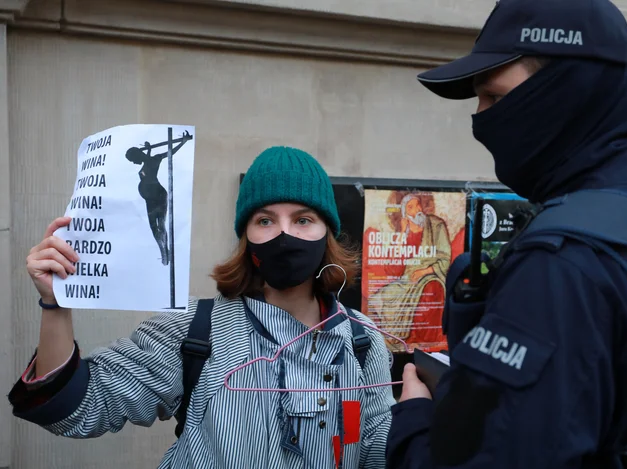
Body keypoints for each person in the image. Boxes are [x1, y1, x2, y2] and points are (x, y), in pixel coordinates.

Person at [386, 0, 627, 468]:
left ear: (569, 91)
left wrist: (414, 419)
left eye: (494, 97)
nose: (480, 120)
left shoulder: (561, 263)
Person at [9, 146, 396, 469]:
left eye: (303, 219)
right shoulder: (196, 330)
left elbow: (380, 449)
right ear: (246, 236)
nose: (284, 234)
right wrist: (55, 304)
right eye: (265, 220)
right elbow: (82, 407)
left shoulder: (362, 341)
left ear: (326, 233)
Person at [368, 193, 451, 352]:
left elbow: (445, 259)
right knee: (378, 299)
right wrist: (401, 235)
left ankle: (417, 340)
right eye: (411, 207)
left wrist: (424, 271)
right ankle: (394, 340)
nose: (417, 210)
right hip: (407, 280)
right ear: (405, 212)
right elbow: (393, 268)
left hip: (431, 276)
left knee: (430, 290)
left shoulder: (436, 225)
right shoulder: (403, 229)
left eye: (418, 205)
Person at [124, 130, 192, 266]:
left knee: (159, 224)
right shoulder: (149, 159)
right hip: (151, 197)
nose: (133, 163)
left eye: (133, 160)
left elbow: (170, 153)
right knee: (154, 226)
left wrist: (183, 143)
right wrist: (148, 150)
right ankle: (164, 251)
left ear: (137, 155)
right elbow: (146, 163)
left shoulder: (154, 159)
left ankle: (164, 252)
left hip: (157, 196)